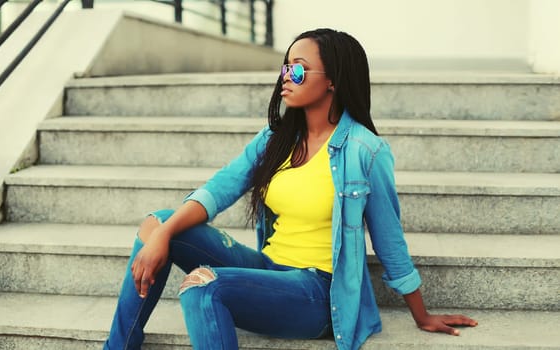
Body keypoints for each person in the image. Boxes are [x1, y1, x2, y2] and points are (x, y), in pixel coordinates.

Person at [103, 28, 477, 350]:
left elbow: (389, 238)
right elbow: (220, 188)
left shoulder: (365, 151)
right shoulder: (277, 138)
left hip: (317, 292)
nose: (287, 76)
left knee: (203, 286)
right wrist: (165, 234)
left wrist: (421, 314)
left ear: (332, 79)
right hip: (268, 269)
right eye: (285, 67)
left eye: (298, 69)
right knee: (158, 225)